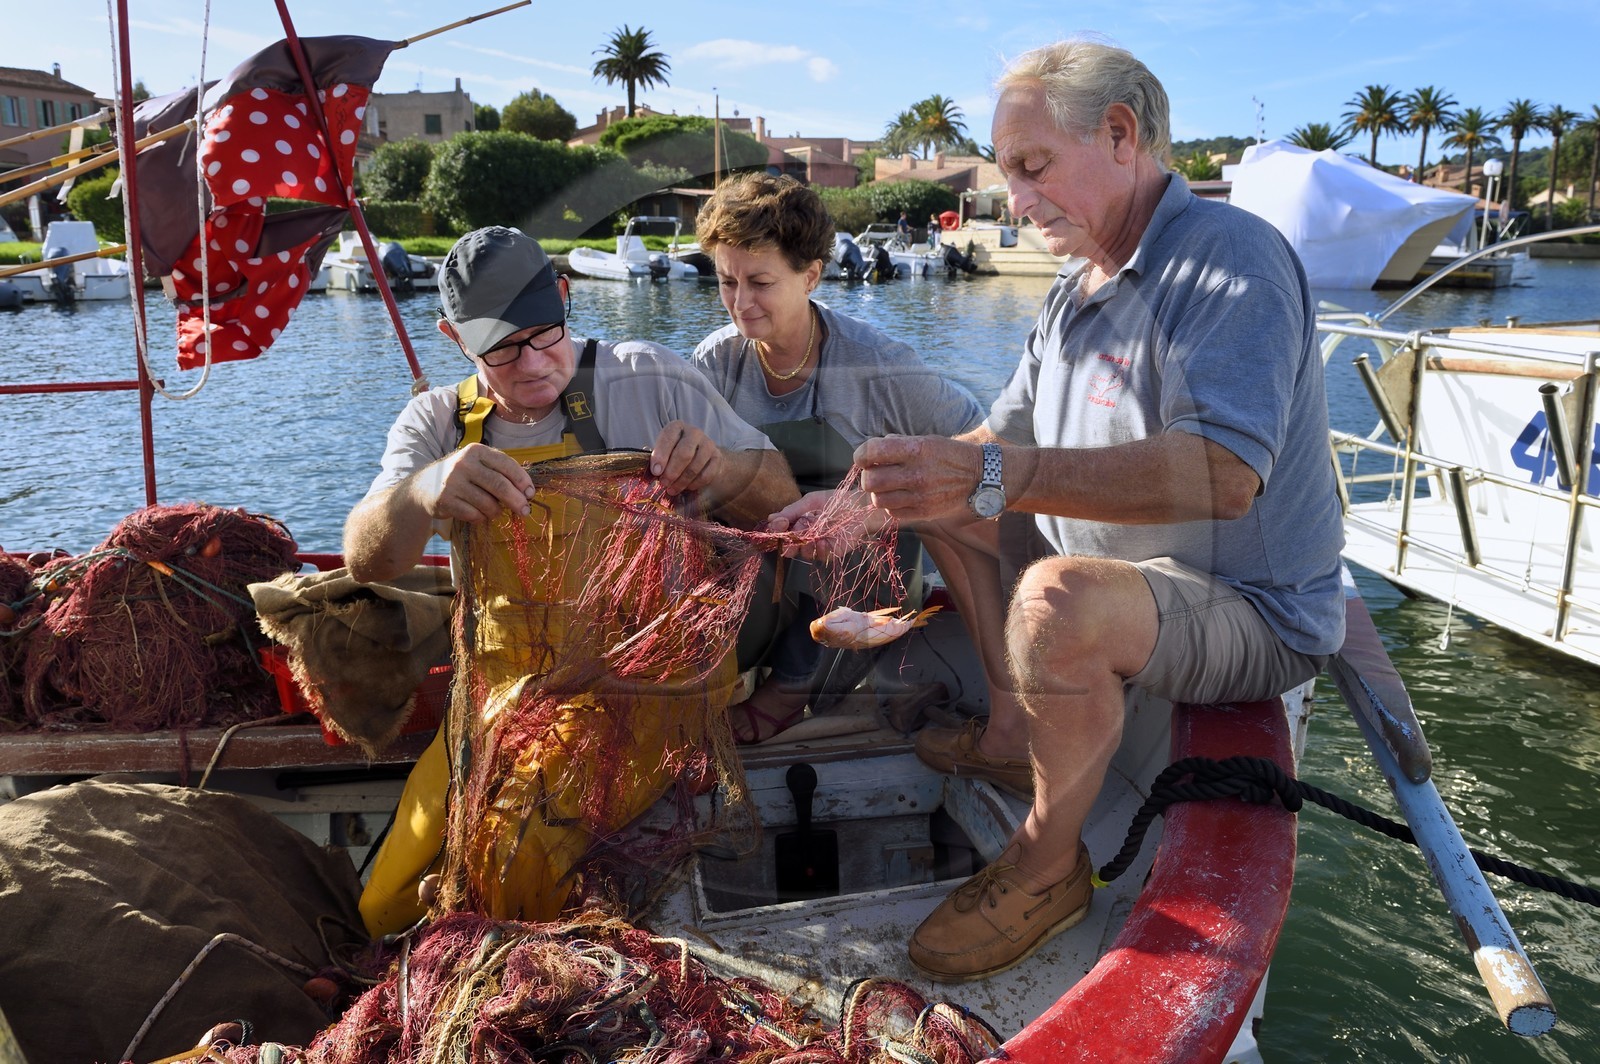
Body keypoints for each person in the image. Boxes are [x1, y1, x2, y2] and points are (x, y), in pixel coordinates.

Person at [788, 37, 1345, 981]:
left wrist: (994, 480)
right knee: (953, 499)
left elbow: (1222, 476)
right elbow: (987, 451)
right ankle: (1015, 737)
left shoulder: (1227, 259)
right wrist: (853, 505)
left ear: (1121, 136)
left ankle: (1048, 869)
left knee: (1054, 602)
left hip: (1250, 600)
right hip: (1129, 575)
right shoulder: (1072, 291)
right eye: (1009, 175)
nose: (1016, 199)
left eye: (1033, 167)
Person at [345, 226, 798, 935]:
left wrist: (721, 468)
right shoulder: (437, 423)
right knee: (385, 905)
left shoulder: (648, 378)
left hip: (650, 684)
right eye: (499, 347)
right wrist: (421, 493)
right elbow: (365, 559)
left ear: (564, 295)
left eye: (544, 333)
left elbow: (779, 497)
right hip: (498, 698)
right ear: (452, 336)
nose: (530, 363)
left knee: (516, 850)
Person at [690, 172, 985, 743]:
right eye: (727, 282)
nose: (740, 304)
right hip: (759, 563)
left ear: (811, 276)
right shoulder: (715, 362)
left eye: (760, 282)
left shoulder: (881, 366)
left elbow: (981, 441)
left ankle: (791, 688)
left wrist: (867, 506)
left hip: (865, 573)